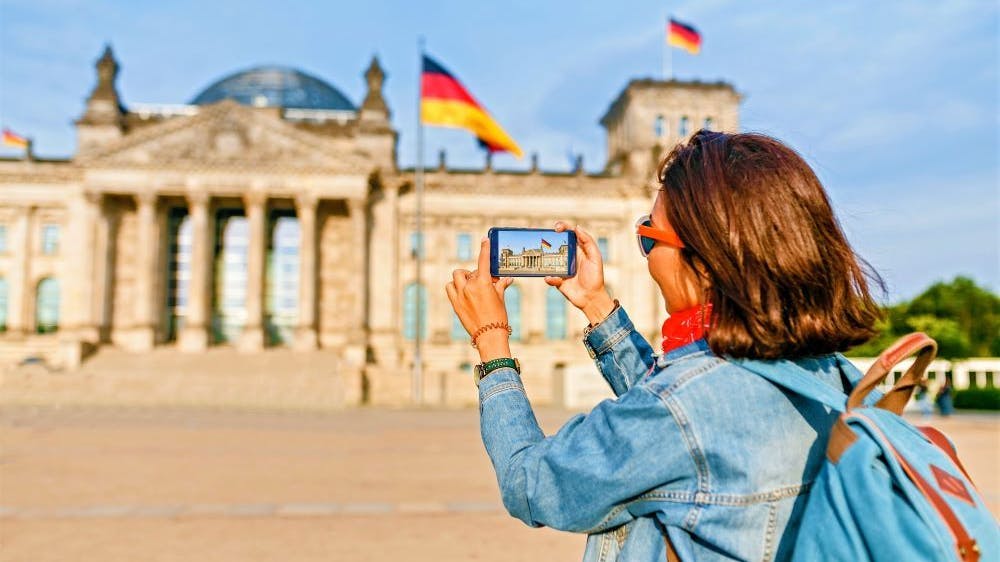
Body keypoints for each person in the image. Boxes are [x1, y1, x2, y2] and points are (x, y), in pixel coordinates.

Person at [446, 130, 884, 561]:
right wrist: (597, 306)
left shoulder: (683, 408)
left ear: (707, 262)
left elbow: (531, 485)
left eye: (649, 236)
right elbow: (688, 418)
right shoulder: (836, 377)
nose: (647, 254)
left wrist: (492, 341)